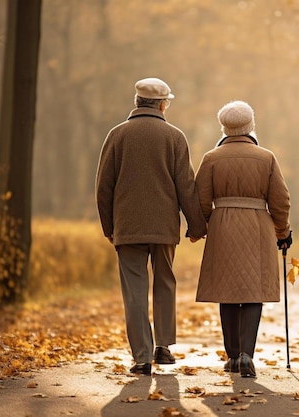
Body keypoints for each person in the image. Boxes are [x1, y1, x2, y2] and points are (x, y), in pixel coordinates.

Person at [95, 77, 207, 376]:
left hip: (127, 226)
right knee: (164, 282)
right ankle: (163, 347)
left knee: (134, 290)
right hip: (163, 227)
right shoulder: (174, 137)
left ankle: (142, 357)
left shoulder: (117, 135)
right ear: (162, 104)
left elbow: (104, 186)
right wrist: (196, 225)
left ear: (136, 102)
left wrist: (109, 226)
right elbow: (186, 186)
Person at [194, 100, 292, 378]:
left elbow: (200, 199)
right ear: (250, 125)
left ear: (224, 127)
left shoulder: (211, 158)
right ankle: (247, 355)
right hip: (257, 226)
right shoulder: (266, 157)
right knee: (253, 291)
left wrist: (200, 229)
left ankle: (233, 355)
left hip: (222, 226)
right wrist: (282, 232)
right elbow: (281, 200)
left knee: (227, 292)